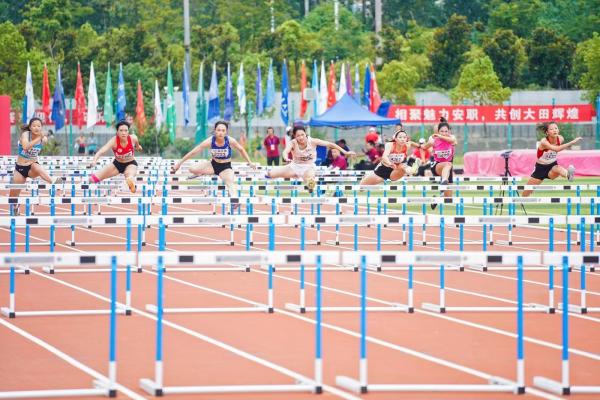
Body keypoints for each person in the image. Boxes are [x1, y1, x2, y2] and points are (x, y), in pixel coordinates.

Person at [171, 120, 256, 198]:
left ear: (226, 132)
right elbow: (193, 152)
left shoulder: (230, 140)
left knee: (230, 183)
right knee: (191, 169)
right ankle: (201, 173)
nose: (220, 133)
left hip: (225, 168)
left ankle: (234, 200)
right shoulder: (210, 141)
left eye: (223, 130)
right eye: (218, 130)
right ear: (215, 131)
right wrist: (179, 164)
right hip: (212, 165)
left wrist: (250, 162)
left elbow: (241, 150)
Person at [266, 126, 355, 192]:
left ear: (305, 134)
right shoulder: (292, 143)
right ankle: (268, 177)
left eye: (302, 134)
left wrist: (345, 152)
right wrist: (285, 157)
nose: (301, 137)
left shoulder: (312, 141)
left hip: (308, 167)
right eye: (298, 135)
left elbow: (330, 144)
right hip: (294, 167)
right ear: (294, 136)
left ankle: (310, 186)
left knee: (310, 179)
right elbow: (285, 151)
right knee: (271, 174)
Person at [9, 117, 61, 215]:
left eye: (39, 126)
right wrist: (38, 138)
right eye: (34, 126)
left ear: (41, 127)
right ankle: (15, 206)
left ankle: (53, 181)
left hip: (31, 167)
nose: (36, 128)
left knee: (36, 166)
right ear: (30, 127)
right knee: (13, 196)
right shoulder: (25, 135)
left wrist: (42, 138)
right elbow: (25, 147)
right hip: (20, 168)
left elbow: (44, 140)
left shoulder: (43, 139)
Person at [522, 121, 581, 197]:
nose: (554, 130)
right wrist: (572, 142)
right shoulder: (544, 142)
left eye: (556, 128)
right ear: (547, 132)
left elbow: (558, 148)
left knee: (558, 168)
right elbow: (556, 149)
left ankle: (568, 175)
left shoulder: (560, 139)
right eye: (551, 129)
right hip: (540, 168)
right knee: (527, 192)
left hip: (552, 165)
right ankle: (521, 202)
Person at [89, 120, 142, 193]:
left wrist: (138, 148)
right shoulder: (113, 141)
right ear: (117, 132)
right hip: (117, 164)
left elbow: (138, 146)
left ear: (128, 132)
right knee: (92, 179)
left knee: (129, 175)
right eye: (121, 130)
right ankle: (130, 183)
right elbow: (101, 151)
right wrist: (94, 161)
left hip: (130, 163)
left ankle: (131, 184)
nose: (123, 133)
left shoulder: (133, 138)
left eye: (125, 130)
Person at [420, 117, 457, 209]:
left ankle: (436, 199)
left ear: (449, 131)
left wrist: (441, 136)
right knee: (448, 164)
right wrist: (423, 159)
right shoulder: (433, 140)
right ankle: (444, 181)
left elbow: (454, 141)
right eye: (441, 131)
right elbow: (422, 148)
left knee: (448, 197)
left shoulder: (451, 138)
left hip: (448, 168)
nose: (443, 133)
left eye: (446, 131)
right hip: (437, 165)